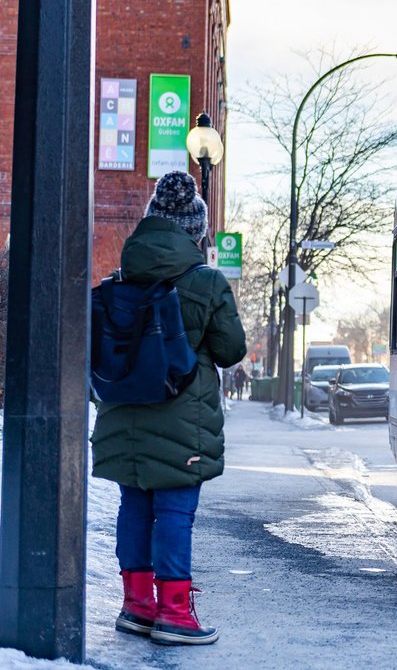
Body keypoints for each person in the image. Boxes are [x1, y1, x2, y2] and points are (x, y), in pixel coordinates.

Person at [90, 171, 246, 646]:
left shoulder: (120, 277)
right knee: (175, 511)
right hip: (181, 420)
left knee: (134, 506)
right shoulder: (206, 282)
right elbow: (231, 350)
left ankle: (137, 606)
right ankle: (175, 612)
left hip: (123, 414)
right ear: (195, 230)